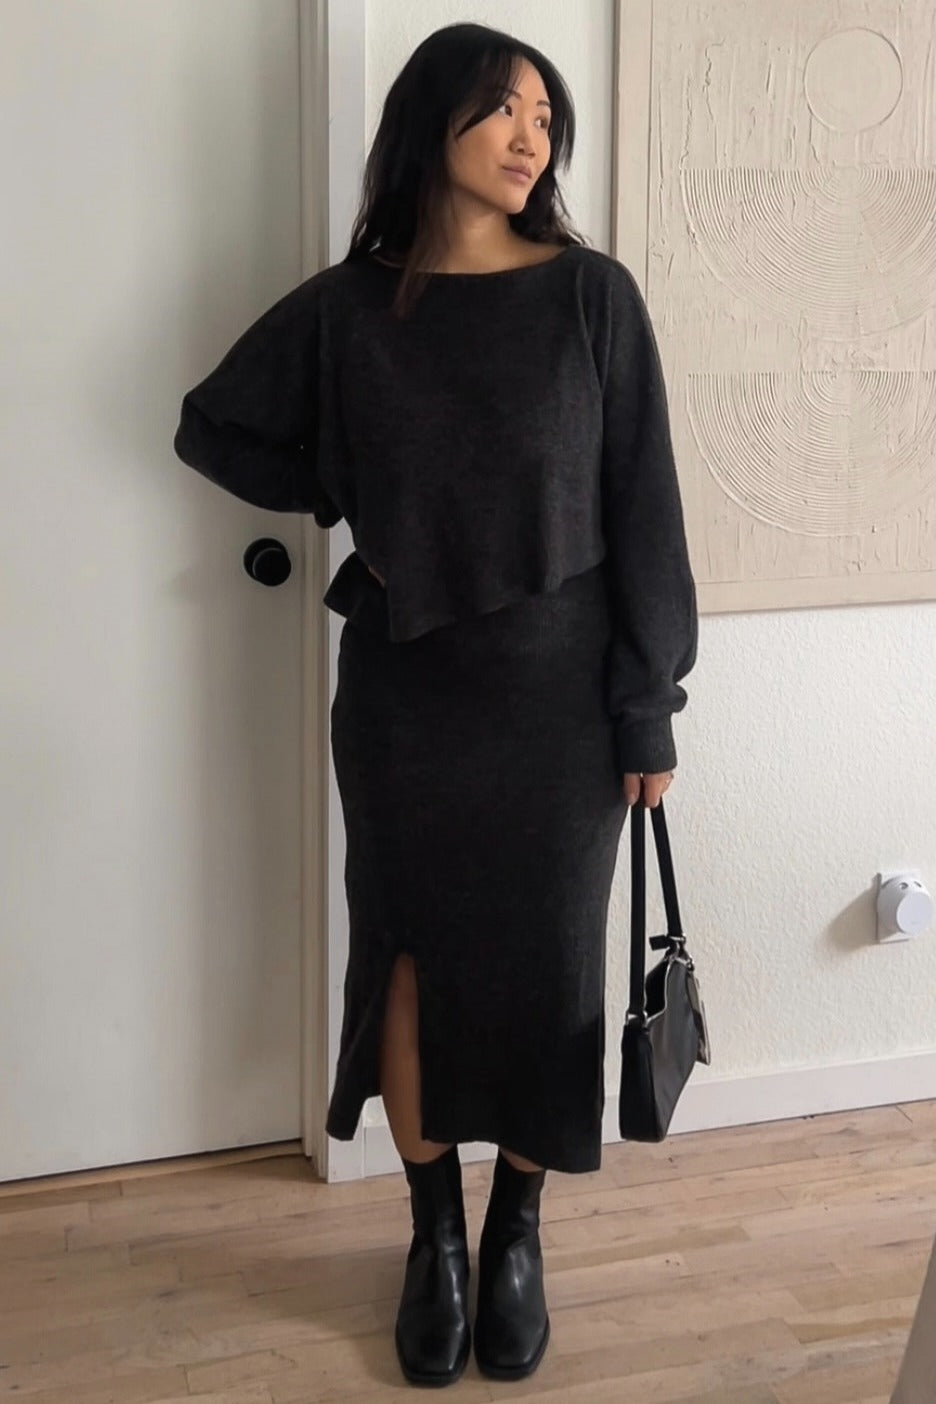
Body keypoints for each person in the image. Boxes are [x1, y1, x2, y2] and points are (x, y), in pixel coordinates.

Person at [173, 20, 698, 1389]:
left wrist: (648, 704)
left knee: (547, 969)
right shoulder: (352, 310)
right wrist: (349, 489)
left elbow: (645, 507)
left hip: (563, 705)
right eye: (505, 109)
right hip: (408, 704)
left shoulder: (592, 297)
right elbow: (213, 426)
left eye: (546, 117)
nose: (532, 138)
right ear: (432, 120)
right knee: (406, 962)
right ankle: (435, 1241)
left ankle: (516, 1230)